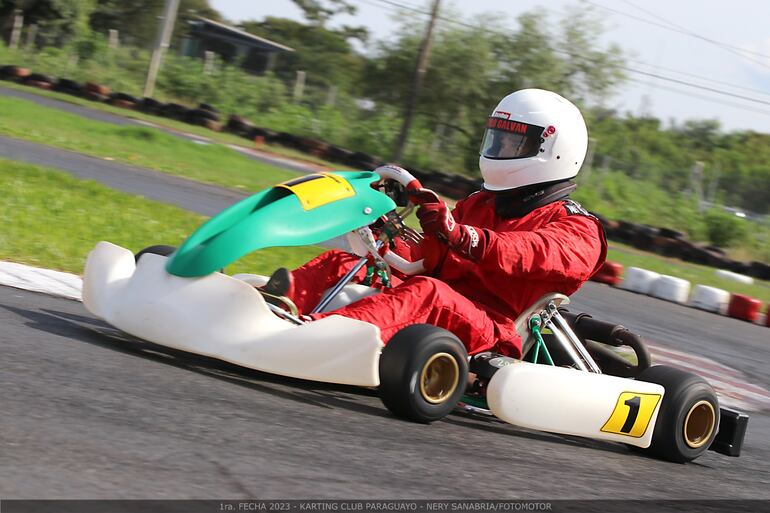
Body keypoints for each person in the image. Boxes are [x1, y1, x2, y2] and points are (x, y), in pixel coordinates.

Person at [266, 88, 607, 359]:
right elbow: (430, 259)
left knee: (429, 293)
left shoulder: (579, 229)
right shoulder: (481, 202)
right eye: (498, 138)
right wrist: (386, 233)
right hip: (441, 299)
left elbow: (528, 252)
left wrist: (463, 236)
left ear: (553, 150)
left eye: (512, 141)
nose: (500, 147)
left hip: (494, 328)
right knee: (345, 263)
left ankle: (314, 337)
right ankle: (269, 309)